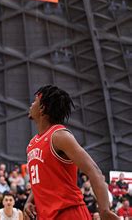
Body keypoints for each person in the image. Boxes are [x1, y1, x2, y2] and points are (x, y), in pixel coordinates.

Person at [24, 85, 118, 220]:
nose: (31, 104)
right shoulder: (32, 144)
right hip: (47, 216)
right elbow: (40, 181)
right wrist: (29, 202)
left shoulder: (59, 135)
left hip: (69, 213)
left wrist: (104, 209)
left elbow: (94, 171)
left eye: (34, 101)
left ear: (42, 108)